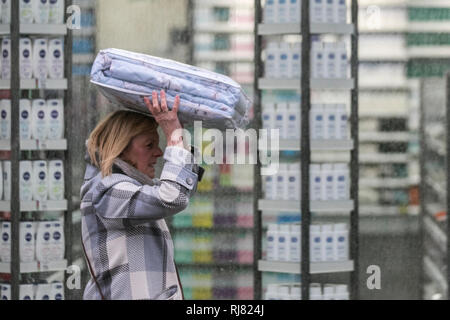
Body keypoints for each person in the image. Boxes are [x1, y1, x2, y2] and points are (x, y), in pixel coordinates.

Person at [80, 90, 203, 300]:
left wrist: (179, 136)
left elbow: (182, 189)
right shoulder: (106, 191)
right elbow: (172, 196)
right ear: (121, 149)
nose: (159, 153)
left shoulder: (127, 188)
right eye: (149, 145)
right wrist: (173, 134)